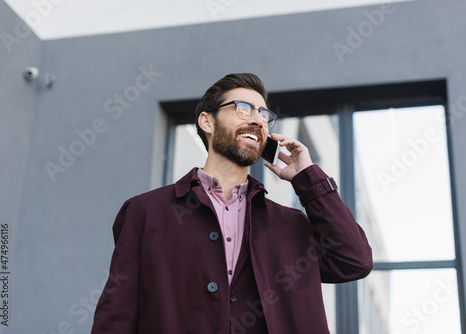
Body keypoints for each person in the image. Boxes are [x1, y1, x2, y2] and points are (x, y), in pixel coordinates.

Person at [91, 73, 372, 334]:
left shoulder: (290, 225)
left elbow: (354, 261)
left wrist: (308, 179)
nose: (258, 120)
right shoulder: (145, 213)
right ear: (207, 122)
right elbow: (116, 317)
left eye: (264, 114)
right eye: (243, 108)